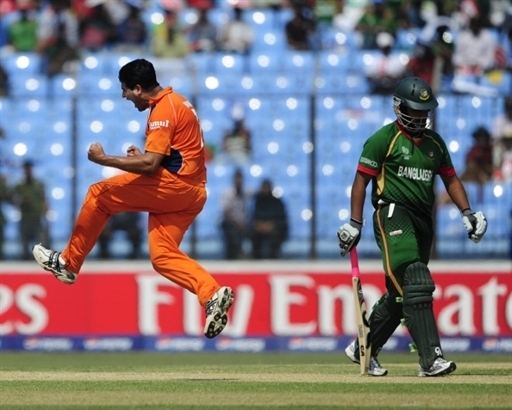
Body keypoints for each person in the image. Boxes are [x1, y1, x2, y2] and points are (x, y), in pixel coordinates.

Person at [32, 58, 234, 339]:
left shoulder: (163, 109)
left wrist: (104, 159)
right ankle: (211, 294)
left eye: (125, 89)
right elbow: (171, 157)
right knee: (163, 257)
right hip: (193, 192)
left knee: (99, 194)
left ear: (138, 88)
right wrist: (142, 159)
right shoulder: (177, 102)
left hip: (175, 188)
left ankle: (68, 263)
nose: (124, 96)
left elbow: (150, 165)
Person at [337, 76, 488, 377]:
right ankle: (430, 359)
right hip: (392, 212)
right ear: (399, 107)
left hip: (422, 219)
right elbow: (361, 181)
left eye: (424, 111)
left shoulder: (435, 143)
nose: (419, 116)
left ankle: (363, 347)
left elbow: (451, 179)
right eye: (414, 110)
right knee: (416, 278)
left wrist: (467, 212)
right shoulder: (383, 139)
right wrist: (355, 223)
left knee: (401, 294)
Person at [12, 160, 49, 260]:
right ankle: (25, 260)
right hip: (25, 218)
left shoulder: (38, 184)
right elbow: (13, 200)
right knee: (24, 244)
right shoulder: (20, 186)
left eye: (29, 169)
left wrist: (46, 213)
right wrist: (22, 200)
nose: (28, 171)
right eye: (26, 169)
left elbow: (44, 199)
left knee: (40, 245)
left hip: (37, 218)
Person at [250, 178, 288, 260]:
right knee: (254, 235)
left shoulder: (277, 202)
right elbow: (253, 217)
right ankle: (256, 259)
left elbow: (281, 219)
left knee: (276, 236)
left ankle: (273, 259)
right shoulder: (257, 201)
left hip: (274, 229)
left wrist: (271, 226)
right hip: (259, 229)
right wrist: (259, 225)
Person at [220, 168, 250, 260]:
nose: (238, 181)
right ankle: (234, 256)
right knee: (232, 233)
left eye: (240, 179)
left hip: (244, 223)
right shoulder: (227, 193)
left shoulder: (245, 192)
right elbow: (226, 213)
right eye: (237, 179)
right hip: (231, 223)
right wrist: (237, 224)